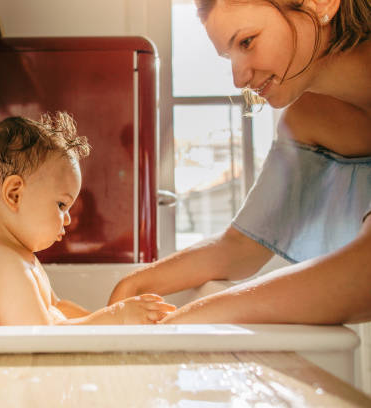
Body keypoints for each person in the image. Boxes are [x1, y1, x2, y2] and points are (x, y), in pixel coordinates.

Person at [109, 0, 371, 324]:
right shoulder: (306, 117)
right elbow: (242, 245)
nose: (238, 77)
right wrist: (135, 282)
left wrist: (193, 317)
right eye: (228, 57)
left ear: (320, 3)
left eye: (246, 42)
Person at [0, 112, 174, 326]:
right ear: (14, 194)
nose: (68, 220)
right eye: (61, 205)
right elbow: (44, 341)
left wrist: (103, 318)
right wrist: (116, 317)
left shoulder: (18, 257)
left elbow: (57, 307)